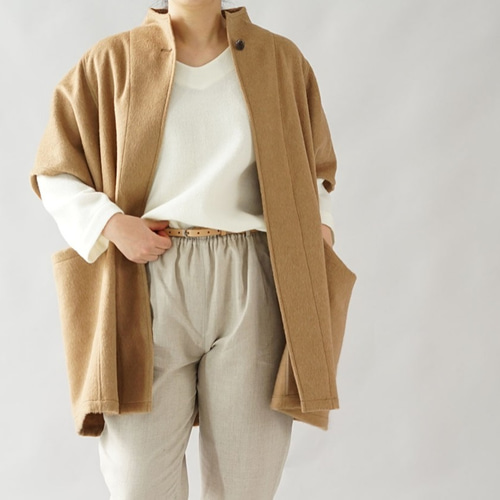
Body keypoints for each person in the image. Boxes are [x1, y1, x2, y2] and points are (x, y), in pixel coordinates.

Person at [30, 1, 357, 498]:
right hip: (144, 281)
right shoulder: (112, 60)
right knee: (139, 482)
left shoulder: (278, 59)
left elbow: (314, 170)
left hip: (253, 277)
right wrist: (113, 225)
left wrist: (319, 234)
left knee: (246, 482)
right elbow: (55, 170)